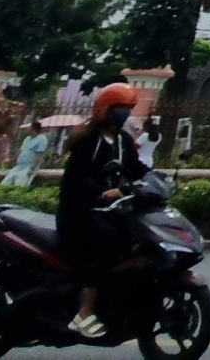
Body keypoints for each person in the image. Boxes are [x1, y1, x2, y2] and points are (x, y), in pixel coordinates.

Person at [58, 83, 147, 339]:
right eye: (121, 108)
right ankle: (83, 313)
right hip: (78, 212)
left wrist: (159, 182)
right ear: (106, 110)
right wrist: (101, 193)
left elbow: (136, 168)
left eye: (129, 108)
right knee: (111, 242)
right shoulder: (88, 141)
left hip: (108, 210)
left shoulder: (122, 140)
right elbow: (78, 178)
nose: (126, 114)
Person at [3, 120, 49, 187]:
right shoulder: (27, 139)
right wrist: (11, 160)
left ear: (33, 129)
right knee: (6, 182)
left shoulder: (42, 139)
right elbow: (21, 151)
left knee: (19, 184)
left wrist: (32, 168)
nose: (27, 129)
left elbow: (39, 154)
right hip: (19, 165)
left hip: (29, 166)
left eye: (29, 128)